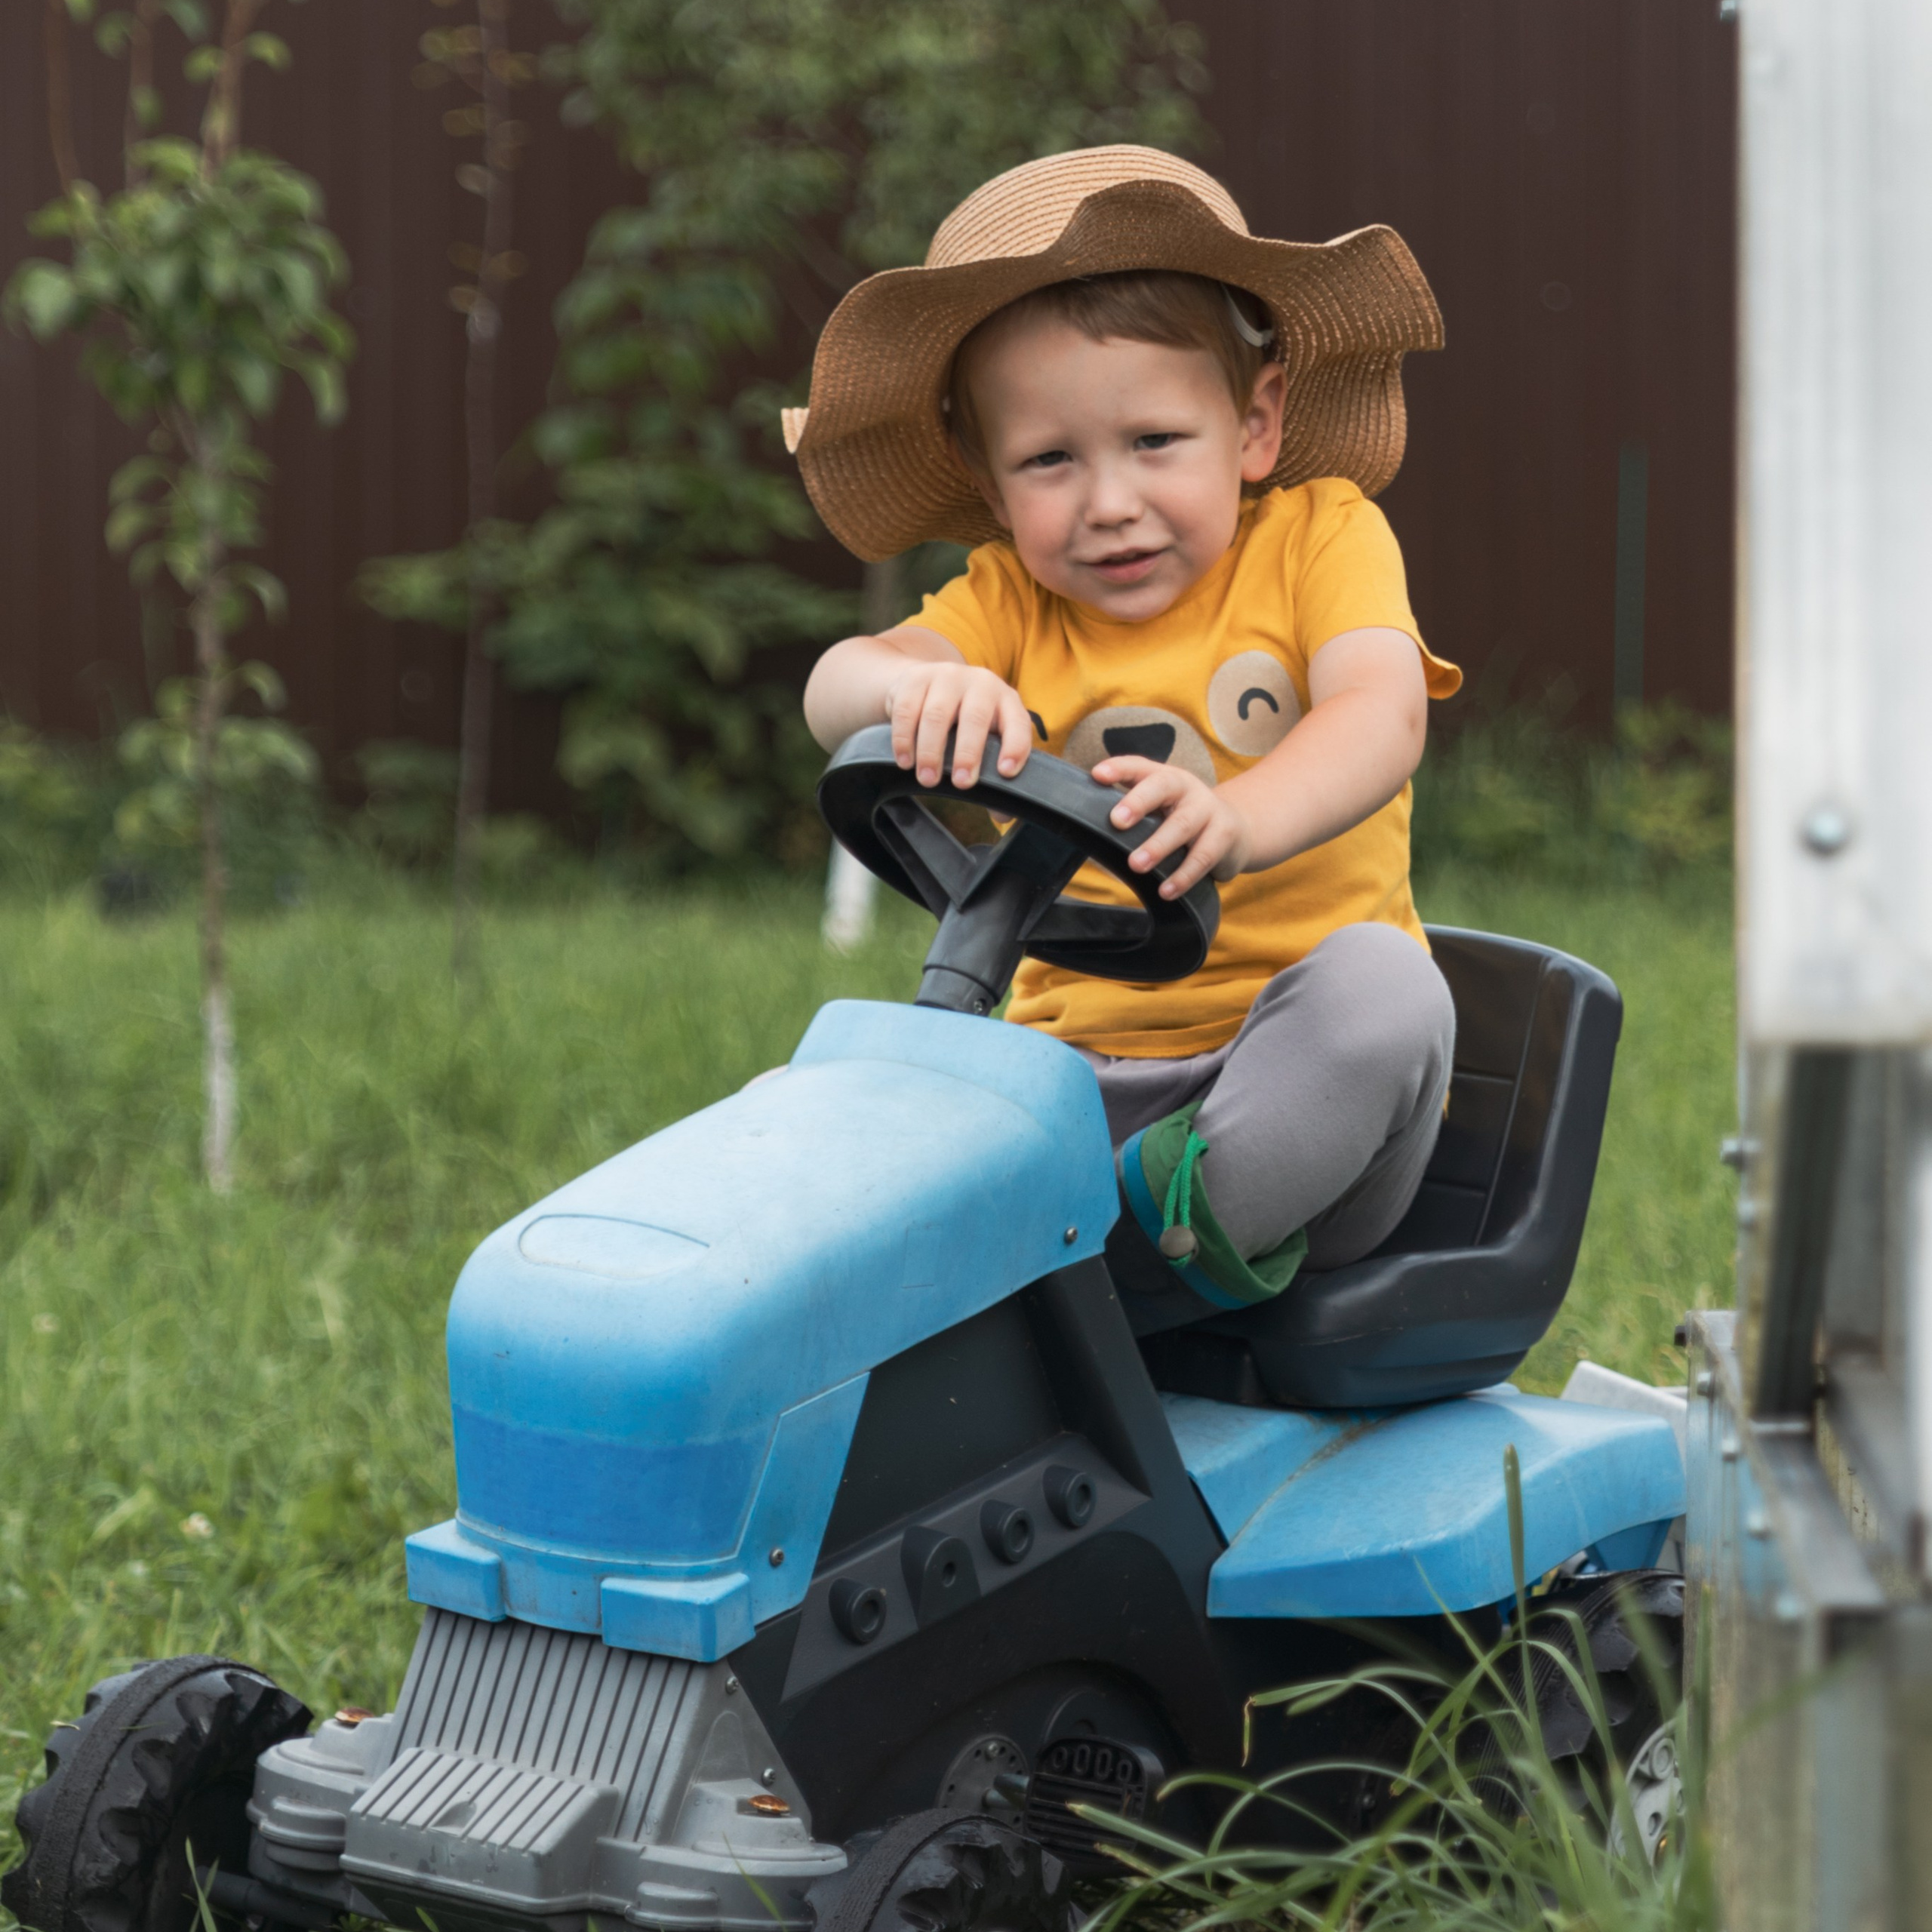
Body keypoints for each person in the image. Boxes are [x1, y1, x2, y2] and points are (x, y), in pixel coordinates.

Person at [792, 146, 1461, 1317]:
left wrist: (1240, 818)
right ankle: (962, 1285)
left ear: (1255, 425)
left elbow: (1382, 710)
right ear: (987, 481)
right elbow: (835, 683)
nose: (1108, 502)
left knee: (1387, 994)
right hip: (1071, 1093)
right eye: (1050, 460)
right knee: (852, 1087)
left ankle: (1143, 1269)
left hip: (1298, 1100)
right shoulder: (1006, 600)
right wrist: (909, 695)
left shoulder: (1320, 538)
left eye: (1154, 442)